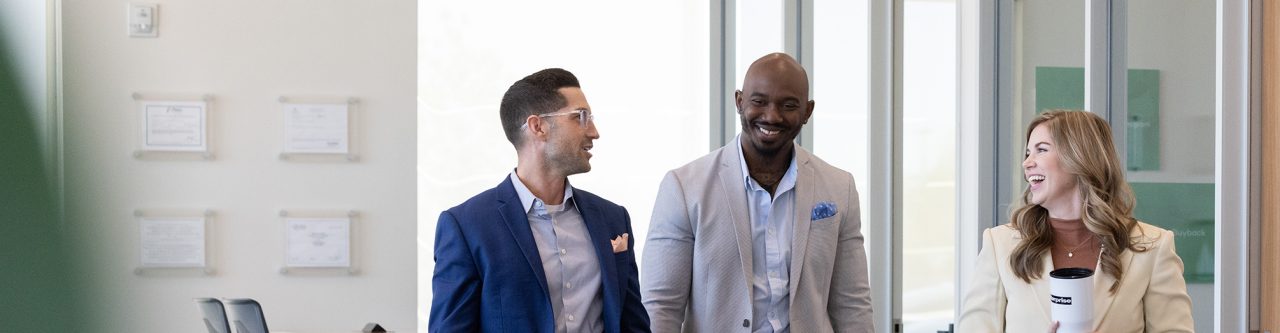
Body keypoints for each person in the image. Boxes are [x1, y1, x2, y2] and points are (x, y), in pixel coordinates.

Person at [641, 53, 874, 332]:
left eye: (788, 105)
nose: (772, 115)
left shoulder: (839, 187)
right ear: (739, 102)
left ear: (807, 111)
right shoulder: (684, 187)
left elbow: (852, 306)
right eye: (759, 102)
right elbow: (660, 307)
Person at [429, 68, 650, 333]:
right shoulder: (466, 226)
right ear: (538, 126)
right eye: (580, 117)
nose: (594, 131)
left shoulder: (613, 218)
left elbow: (633, 324)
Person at [956, 110, 1194, 332]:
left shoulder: (1153, 246)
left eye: (1041, 149)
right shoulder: (1000, 245)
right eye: (1028, 153)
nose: (1027, 163)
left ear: (1079, 157)